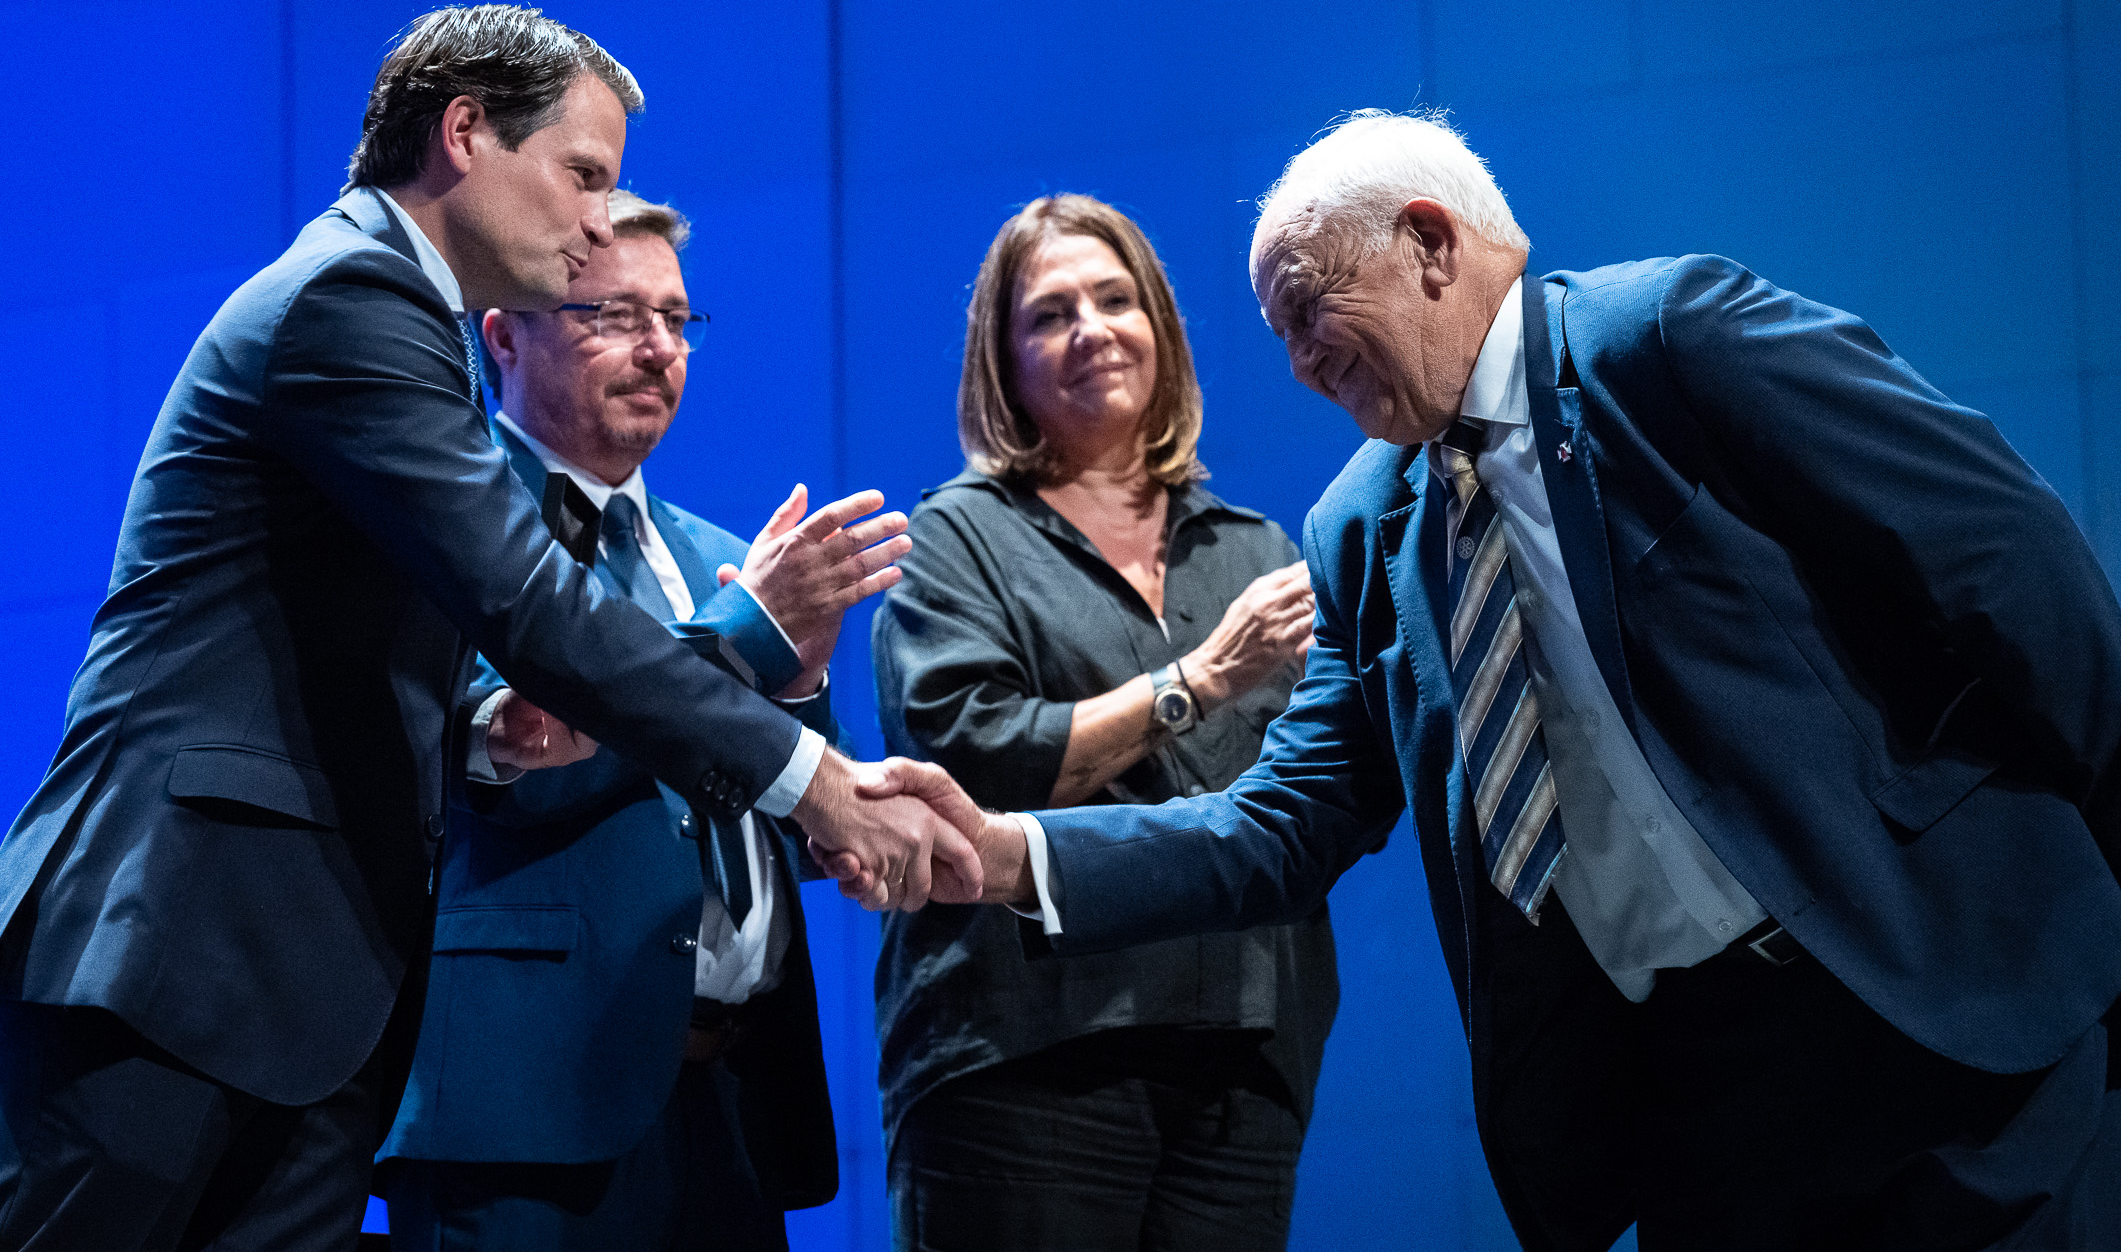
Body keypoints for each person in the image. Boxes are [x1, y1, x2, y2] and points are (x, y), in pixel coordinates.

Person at [839, 111, 2121, 1250]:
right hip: (1698, 1087)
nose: (1296, 362)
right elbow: (1281, 824)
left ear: (1431, 245)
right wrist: (1008, 855)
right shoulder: (1361, 526)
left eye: (1306, 307)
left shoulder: (1667, 339)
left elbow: (2003, 559)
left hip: (1933, 999)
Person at [0, 6, 974, 1252]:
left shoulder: (414, 330)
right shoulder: (352, 293)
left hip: (308, 991)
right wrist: (813, 781)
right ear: (464, 132)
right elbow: (534, 604)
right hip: (175, 953)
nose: (592, 221)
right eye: (582, 175)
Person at [378, 190, 864, 1249]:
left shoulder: (716, 553)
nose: (657, 349)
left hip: (733, 1096)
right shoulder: (450, 524)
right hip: (528, 1103)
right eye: (613, 315)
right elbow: (511, 770)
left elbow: (804, 838)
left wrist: (797, 693)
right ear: (503, 332)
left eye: (676, 319)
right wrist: (743, 636)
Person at [869, 195, 1333, 1251]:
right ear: (1005, 360)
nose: (1091, 328)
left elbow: (1317, 791)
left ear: (1161, 327)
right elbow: (970, 769)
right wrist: (1199, 679)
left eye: (1115, 299)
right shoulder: (961, 538)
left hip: (1242, 1052)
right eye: (1051, 313)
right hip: (1025, 1045)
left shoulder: (1253, 550)